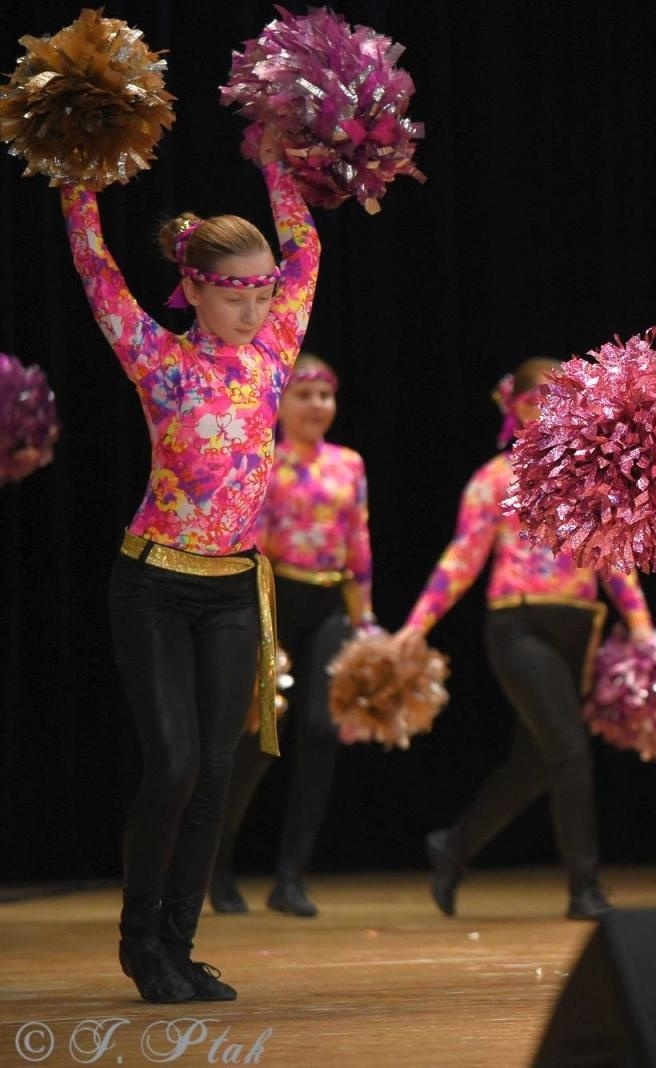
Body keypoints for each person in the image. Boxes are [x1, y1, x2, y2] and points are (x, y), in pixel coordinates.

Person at [61, 126, 319, 1001]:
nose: (254, 308)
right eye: (236, 293)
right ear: (196, 288)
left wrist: (276, 161)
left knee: (215, 772)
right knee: (172, 766)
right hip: (154, 586)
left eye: (265, 291)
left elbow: (308, 249)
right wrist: (76, 181)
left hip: (235, 589)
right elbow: (96, 270)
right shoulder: (158, 360)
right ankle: (140, 944)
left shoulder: (276, 354)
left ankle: (180, 945)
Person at [395, 358, 656, 921]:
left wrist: (639, 623)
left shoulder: (593, 476)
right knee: (568, 749)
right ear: (515, 408)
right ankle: (585, 889)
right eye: (540, 399)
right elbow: (463, 556)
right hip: (518, 627)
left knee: (537, 763)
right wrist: (418, 625)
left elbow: (611, 557)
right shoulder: (494, 479)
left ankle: (454, 846)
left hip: (578, 627)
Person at [210, 354, 374, 918]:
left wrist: (364, 618)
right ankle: (216, 865)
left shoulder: (349, 463)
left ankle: (291, 878)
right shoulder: (266, 459)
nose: (318, 406)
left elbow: (358, 540)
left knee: (322, 731)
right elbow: (249, 538)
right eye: (305, 395)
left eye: (326, 395)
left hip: (329, 603)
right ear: (280, 403)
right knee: (261, 734)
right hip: (274, 598)